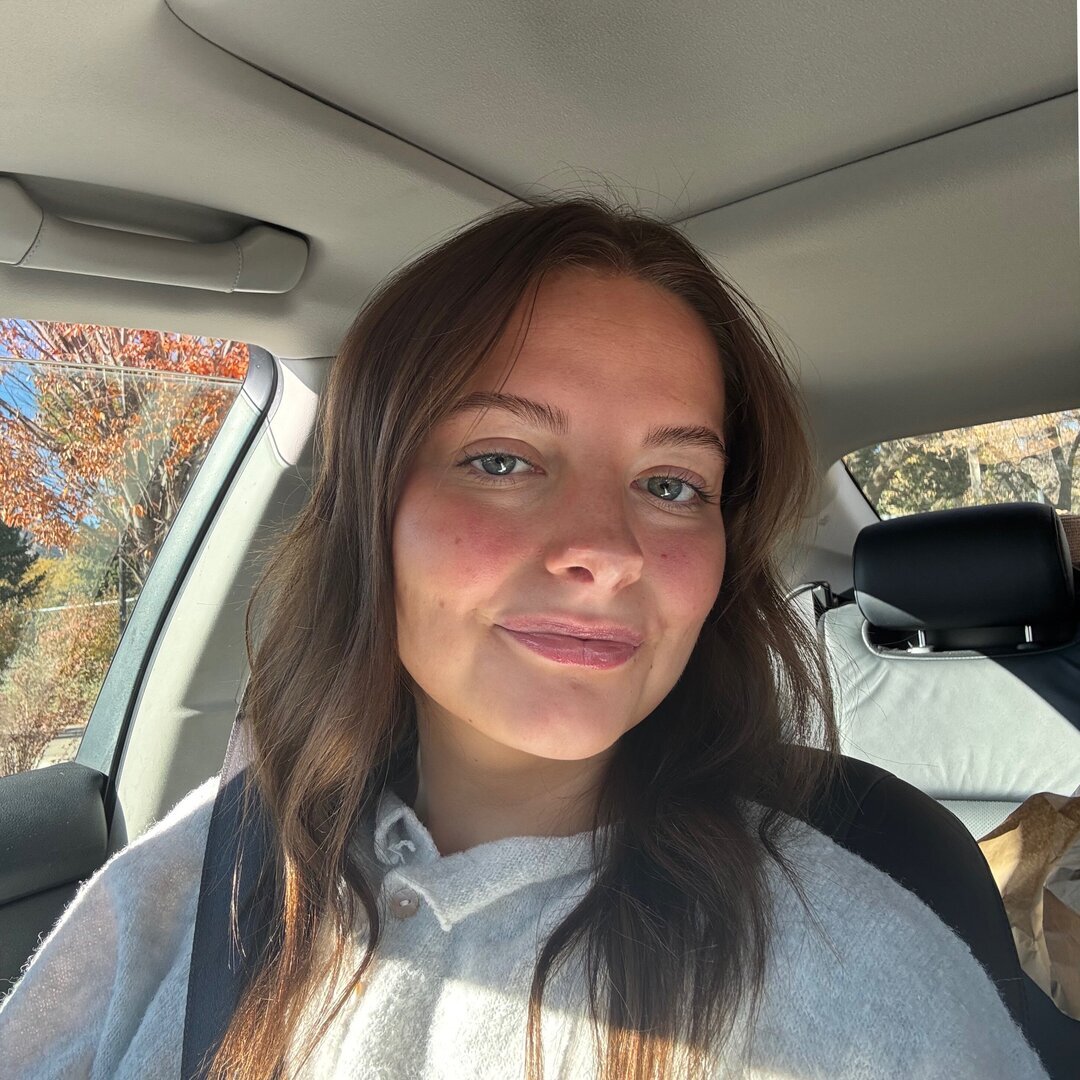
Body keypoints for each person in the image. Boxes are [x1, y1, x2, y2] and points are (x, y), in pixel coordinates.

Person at [0, 195, 1049, 1080]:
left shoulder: (862, 977)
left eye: (672, 484)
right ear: (372, 515)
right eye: (502, 460)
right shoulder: (199, 874)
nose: (608, 550)